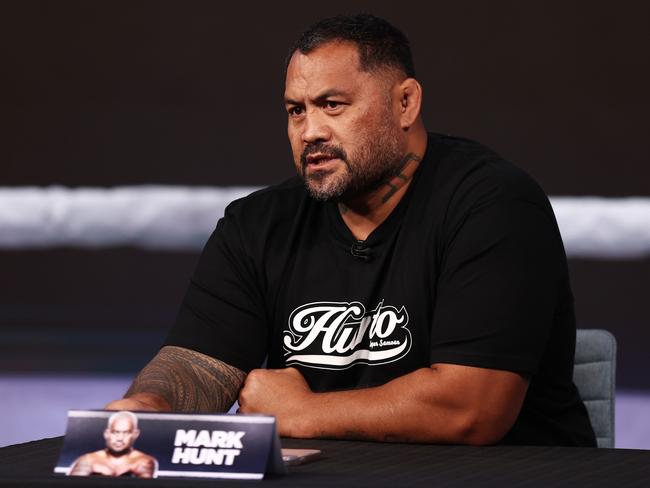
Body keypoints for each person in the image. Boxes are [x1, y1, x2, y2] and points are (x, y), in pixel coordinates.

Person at [107, 14, 596, 446]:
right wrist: (152, 407)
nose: (310, 131)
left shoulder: (493, 204)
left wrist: (301, 412)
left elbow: (471, 409)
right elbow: (199, 362)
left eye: (332, 105)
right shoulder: (257, 224)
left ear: (405, 103)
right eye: (296, 110)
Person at [68, 411, 157, 478]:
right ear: (107, 433)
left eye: (126, 433)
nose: (120, 438)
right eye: (115, 432)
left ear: (135, 434)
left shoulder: (143, 461)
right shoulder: (89, 460)